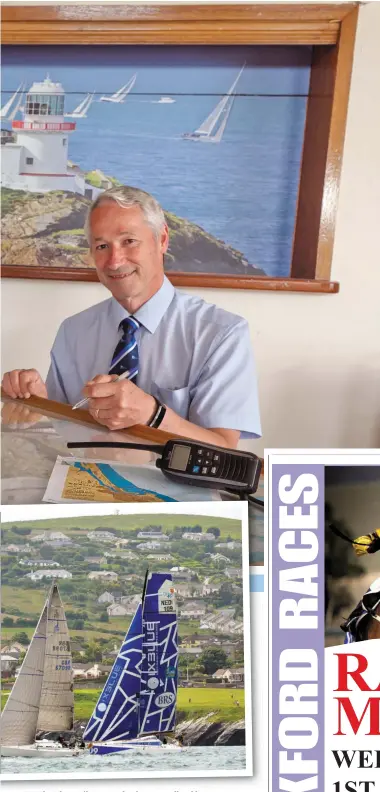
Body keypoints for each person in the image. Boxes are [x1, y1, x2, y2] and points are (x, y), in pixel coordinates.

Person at [2, 186, 260, 448]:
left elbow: (225, 452)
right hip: (82, 484)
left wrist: (154, 415)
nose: (114, 261)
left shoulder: (221, 334)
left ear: (162, 239)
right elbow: (61, 434)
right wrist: (37, 406)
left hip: (176, 488)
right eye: (102, 246)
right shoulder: (72, 331)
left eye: (129, 241)